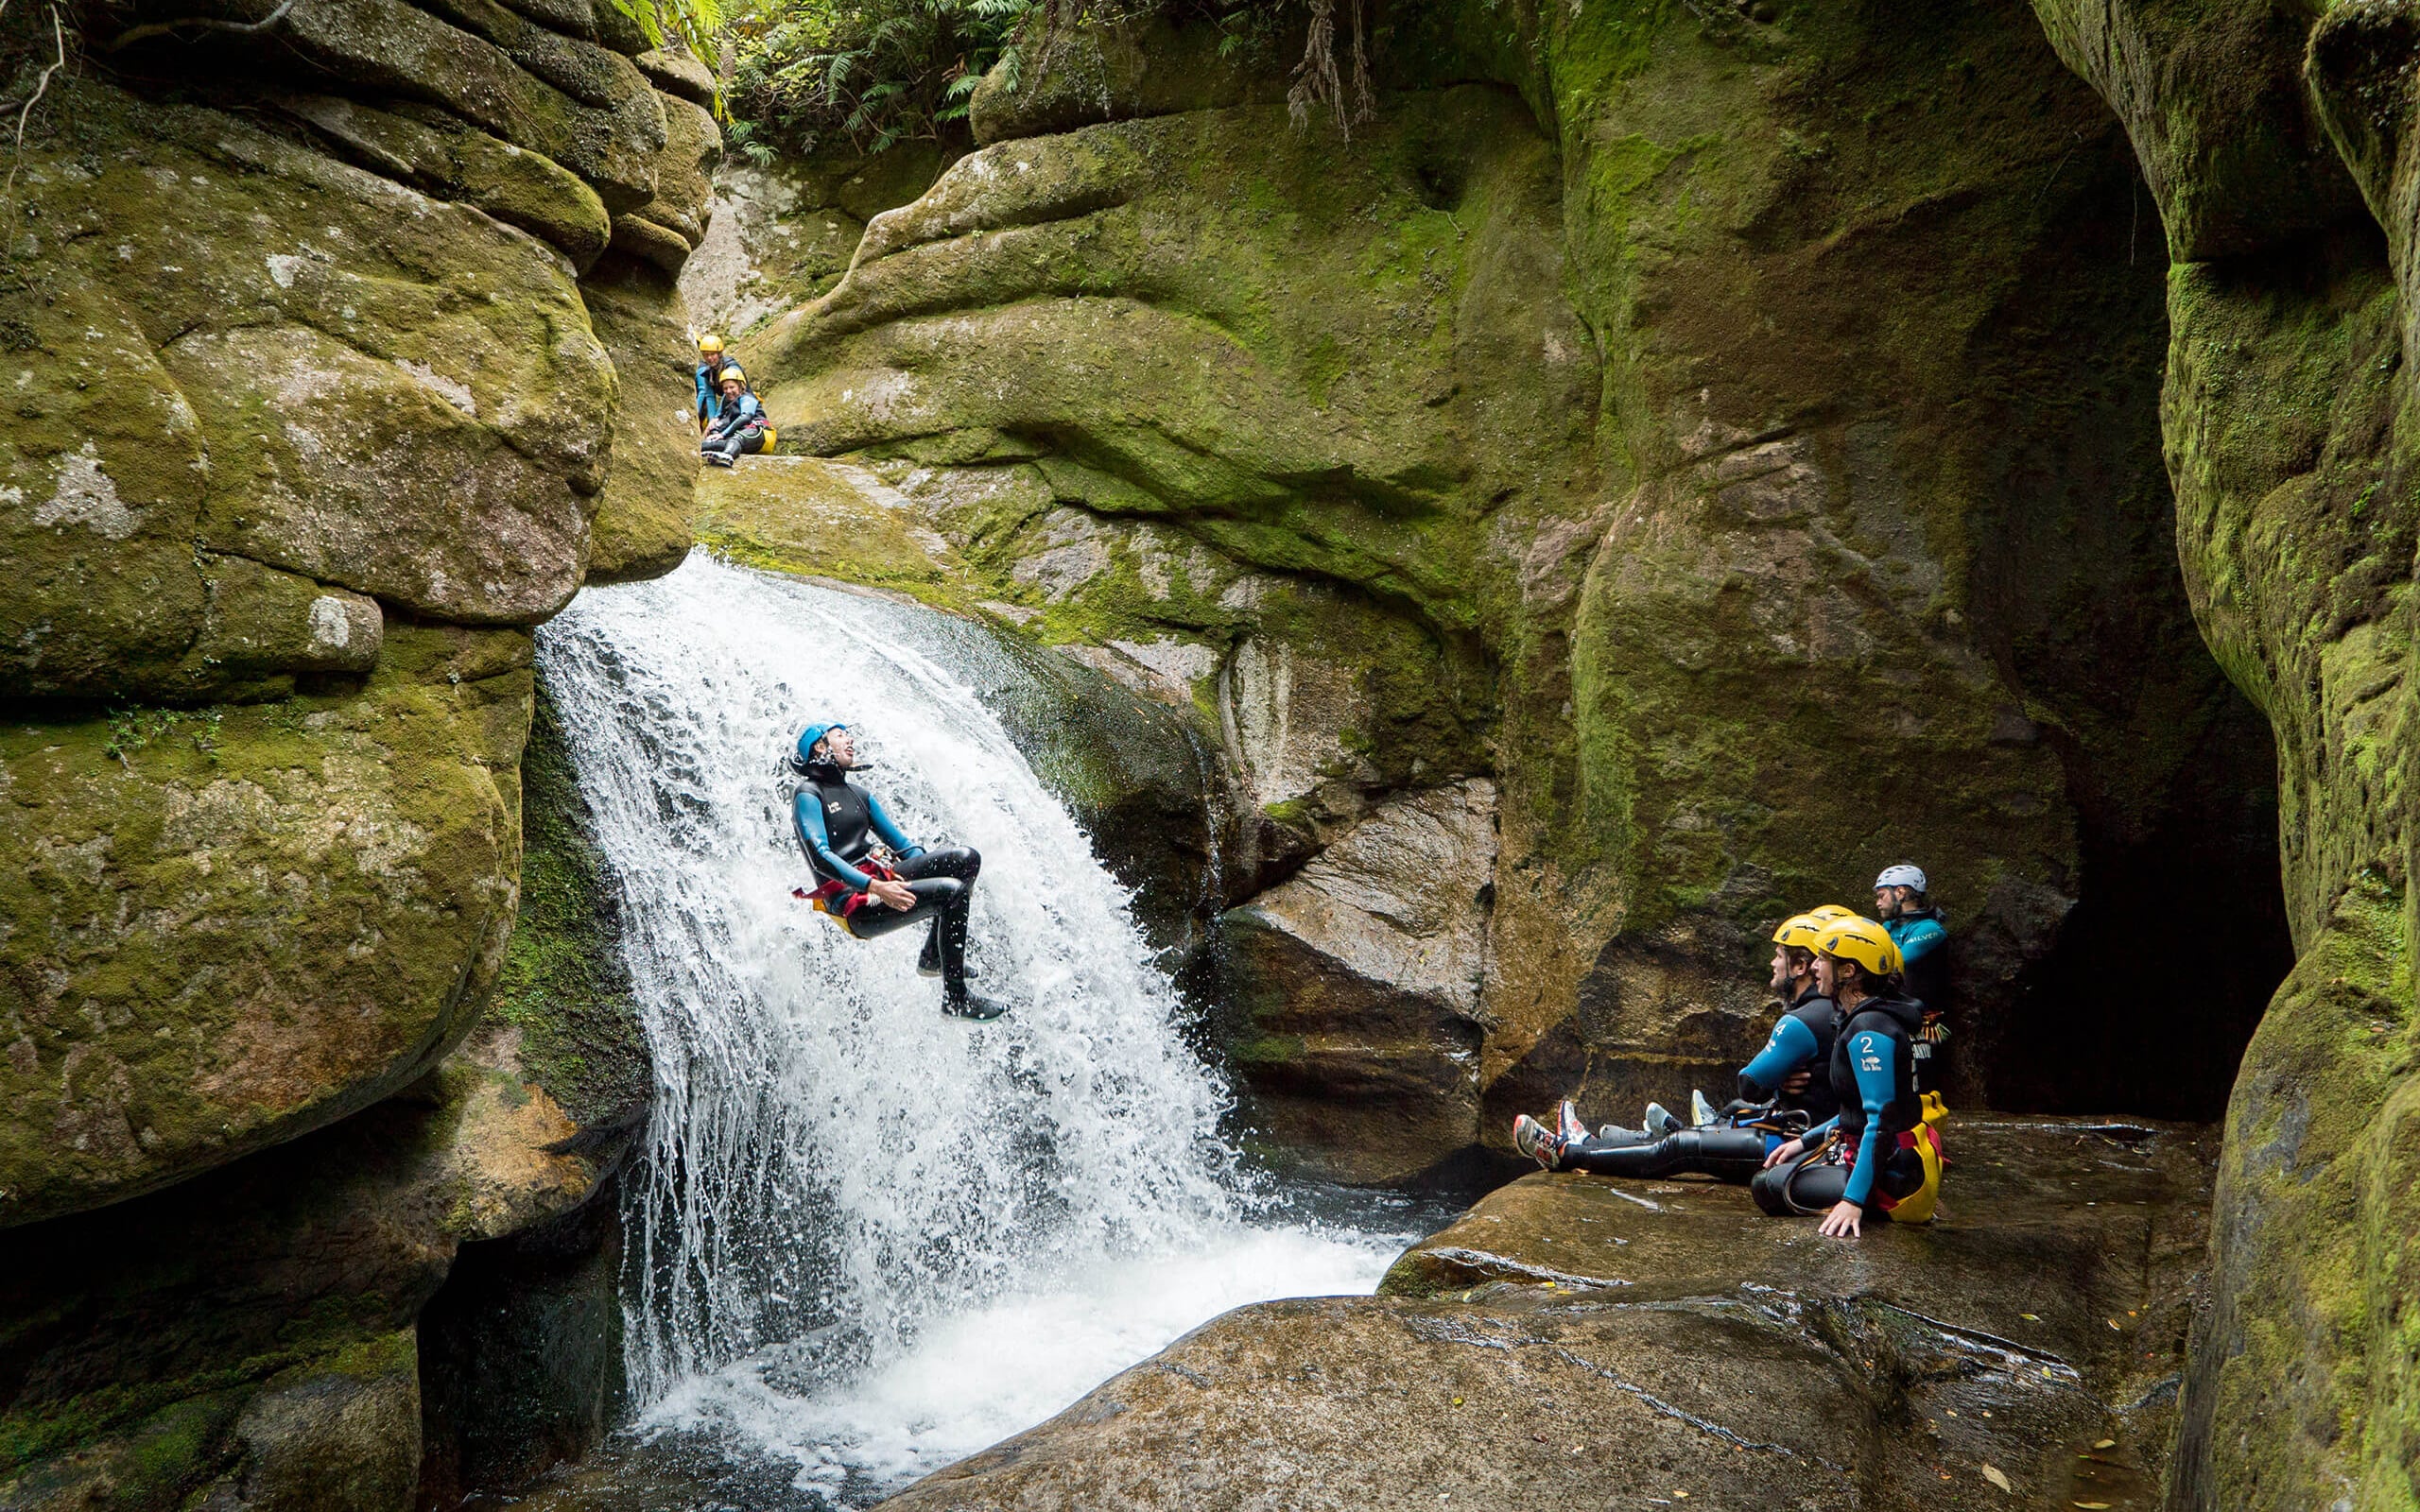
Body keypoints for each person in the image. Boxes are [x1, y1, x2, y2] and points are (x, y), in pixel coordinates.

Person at [1507, 912, 1845, 1180]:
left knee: (1681, 1147)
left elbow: (1751, 1084)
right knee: (1713, 1125)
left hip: (1796, 1143)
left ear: (1799, 967)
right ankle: (1593, 1145)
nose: (1773, 964)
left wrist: (1776, 1081)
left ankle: (1569, 1154)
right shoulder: (1838, 1012)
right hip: (1807, 1134)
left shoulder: (1805, 1020)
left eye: (1780, 956)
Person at [789, 721, 1006, 1020]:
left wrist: (924, 875)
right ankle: (956, 999)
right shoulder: (808, 795)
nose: (850, 739)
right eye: (840, 736)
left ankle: (933, 957)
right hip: (854, 902)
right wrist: (875, 887)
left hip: (880, 881)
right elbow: (821, 858)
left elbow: (906, 848)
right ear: (820, 748)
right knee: (951, 893)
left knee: (966, 859)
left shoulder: (859, 795)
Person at [1751, 916, 1943, 1237]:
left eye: (1824, 960)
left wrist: (1852, 1200)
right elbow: (1853, 1113)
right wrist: (1803, 1142)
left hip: (1895, 1177)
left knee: (1767, 1186)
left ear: (1849, 972)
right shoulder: (1870, 1019)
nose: (1815, 968)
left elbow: (1879, 1119)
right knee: (1778, 1171)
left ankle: (1868, 1202)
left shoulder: (1869, 1031)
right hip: (1895, 1162)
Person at [1874, 864, 1951, 1093]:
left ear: (1900, 892)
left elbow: (1897, 960)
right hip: (1894, 1016)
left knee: (1923, 1088)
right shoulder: (1888, 927)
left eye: (1881, 896)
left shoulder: (1930, 929)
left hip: (1925, 1024)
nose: (1878, 903)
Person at [701, 365, 769, 468]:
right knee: (714, 441)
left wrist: (723, 434)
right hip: (737, 435)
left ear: (740, 386)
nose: (728, 391)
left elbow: (745, 417)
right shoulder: (727, 401)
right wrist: (714, 432)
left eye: (732, 387)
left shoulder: (748, 398)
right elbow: (721, 420)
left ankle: (727, 455)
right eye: (725, 388)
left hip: (756, 431)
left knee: (736, 438)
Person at [693, 333, 726, 432]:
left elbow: (703, 391)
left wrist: (695, 413)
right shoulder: (708, 371)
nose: (709, 358)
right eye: (706, 355)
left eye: (712, 354)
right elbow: (710, 396)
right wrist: (712, 421)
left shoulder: (729, 366)